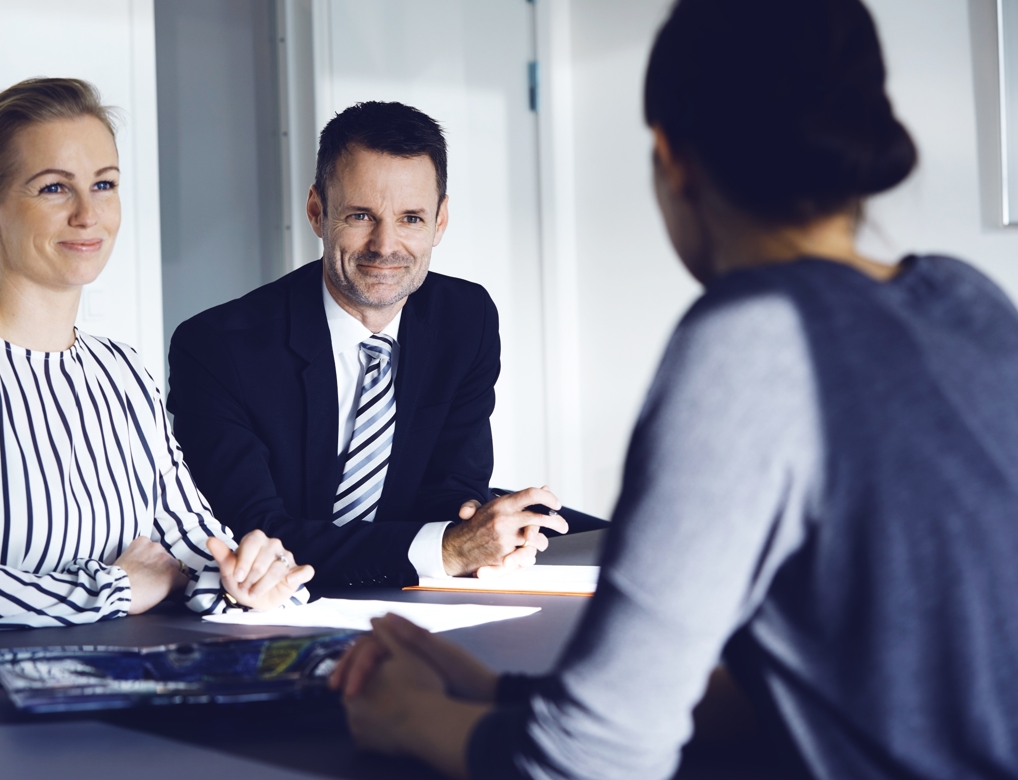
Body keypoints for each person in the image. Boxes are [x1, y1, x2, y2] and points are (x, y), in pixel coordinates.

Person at [330, 0, 1018, 778]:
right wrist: (502, 696)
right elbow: (846, 684)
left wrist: (408, 718)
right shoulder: (969, 302)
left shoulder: (749, 338)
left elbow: (590, 765)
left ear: (672, 158)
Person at [0, 78, 312, 651]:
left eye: (104, 184)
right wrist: (116, 588)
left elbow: (189, 541)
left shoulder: (121, 371)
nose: (89, 214)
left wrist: (249, 578)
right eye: (54, 188)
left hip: (79, 672)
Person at [167, 101, 567, 591]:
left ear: (440, 221)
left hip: (415, 592)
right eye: (361, 215)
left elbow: (453, 487)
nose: (385, 246)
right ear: (317, 211)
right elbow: (256, 535)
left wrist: (486, 532)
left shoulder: (466, 318)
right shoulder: (217, 349)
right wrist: (448, 549)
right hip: (282, 602)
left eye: (411, 218)